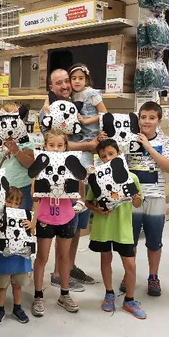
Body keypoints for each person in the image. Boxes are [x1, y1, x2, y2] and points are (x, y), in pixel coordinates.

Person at [39, 69, 98, 287]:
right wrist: (88, 145)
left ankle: (69, 266)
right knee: (63, 224)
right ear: (51, 87)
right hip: (60, 179)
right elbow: (54, 144)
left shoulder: (79, 105)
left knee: (76, 226)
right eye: (59, 83)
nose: (64, 85)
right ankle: (57, 273)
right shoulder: (47, 111)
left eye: (66, 81)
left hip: (81, 174)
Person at [86, 139, 146, 319]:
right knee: (106, 258)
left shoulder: (132, 177)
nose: (107, 158)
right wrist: (98, 209)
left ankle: (129, 299)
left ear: (119, 153)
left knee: (130, 264)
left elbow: (138, 203)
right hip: (103, 227)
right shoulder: (96, 178)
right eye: (103, 156)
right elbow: (88, 201)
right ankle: (109, 293)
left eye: (111, 154)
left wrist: (135, 197)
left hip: (123, 228)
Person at [30, 129, 82, 317]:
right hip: (45, 217)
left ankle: (64, 294)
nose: (56, 149)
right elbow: (34, 194)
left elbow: (78, 190)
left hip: (66, 216)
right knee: (42, 257)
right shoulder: (40, 167)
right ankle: (38, 295)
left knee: (64, 257)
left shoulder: (71, 165)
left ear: (65, 147)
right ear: (45, 146)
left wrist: (78, 199)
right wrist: (39, 192)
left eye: (60, 145)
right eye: (51, 145)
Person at [127, 101, 169, 296]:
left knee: (154, 240)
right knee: (129, 240)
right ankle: (128, 274)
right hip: (132, 197)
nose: (146, 121)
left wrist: (148, 146)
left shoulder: (164, 141)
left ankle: (153, 276)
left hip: (155, 196)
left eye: (151, 118)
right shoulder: (129, 138)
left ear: (159, 120)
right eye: (143, 117)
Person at [0, 187, 33, 326]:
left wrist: (31, 225)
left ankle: (17, 307)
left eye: (16, 203)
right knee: (2, 285)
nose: (12, 206)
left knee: (17, 285)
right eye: (9, 202)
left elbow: (31, 234)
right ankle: (0, 309)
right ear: (3, 200)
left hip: (20, 256)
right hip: (3, 256)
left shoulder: (26, 215)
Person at [0, 102, 35, 210]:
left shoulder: (24, 139)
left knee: (22, 220)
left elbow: (31, 164)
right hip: (1, 187)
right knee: (2, 220)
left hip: (21, 187)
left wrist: (16, 150)